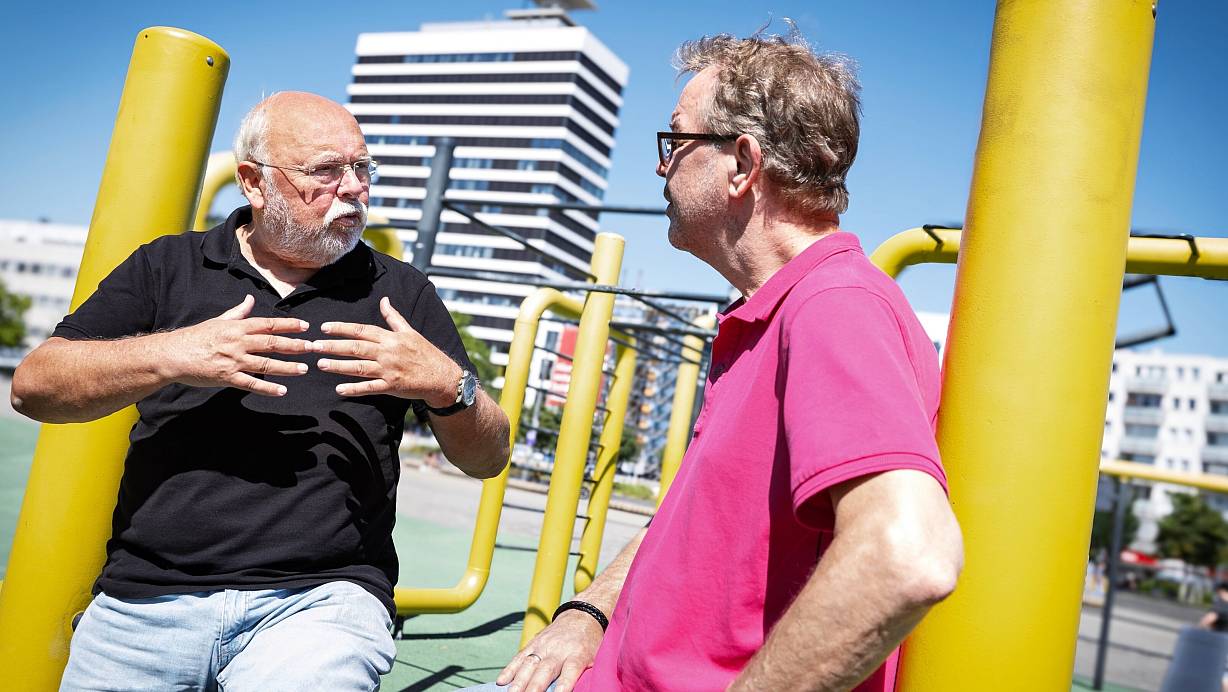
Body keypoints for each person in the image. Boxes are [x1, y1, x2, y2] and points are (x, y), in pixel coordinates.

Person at [479, 30, 964, 692]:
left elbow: (907, 552)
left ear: (741, 163)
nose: (661, 166)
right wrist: (588, 614)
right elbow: (688, 526)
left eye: (675, 141)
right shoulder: (772, 314)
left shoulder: (833, 305)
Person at [10, 92, 510, 690]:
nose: (353, 188)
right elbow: (35, 387)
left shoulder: (401, 292)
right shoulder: (168, 266)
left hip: (322, 601)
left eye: (362, 168)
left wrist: (447, 385)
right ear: (253, 182)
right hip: (146, 598)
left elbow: (490, 457)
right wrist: (173, 352)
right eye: (325, 170)